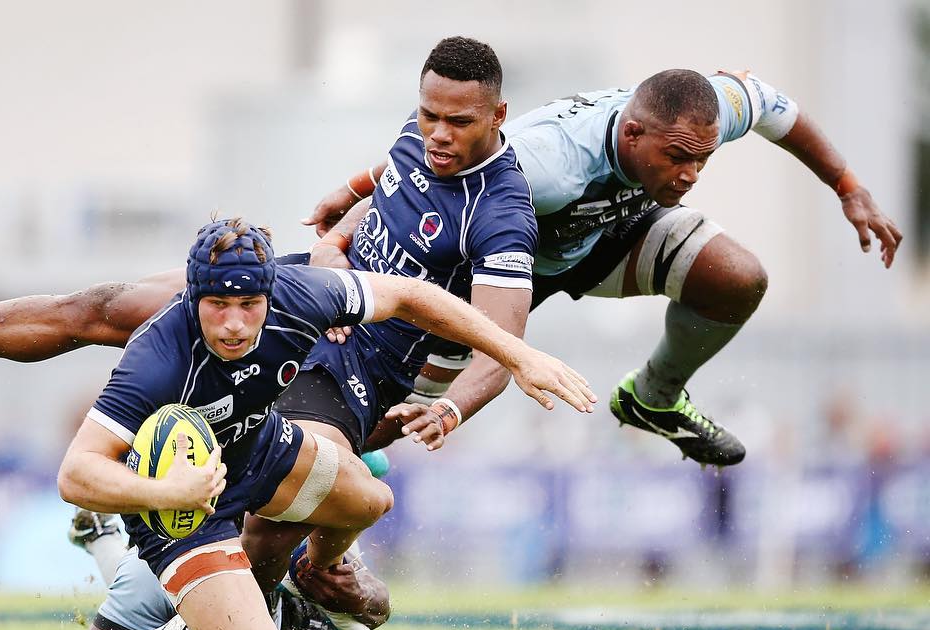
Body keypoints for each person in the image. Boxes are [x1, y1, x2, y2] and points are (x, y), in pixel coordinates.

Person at [0, 38, 595, 599]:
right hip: (307, 288)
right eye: (427, 114)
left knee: (273, 513)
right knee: (103, 306)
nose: (436, 134)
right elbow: (387, 197)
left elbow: (502, 348)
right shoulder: (422, 134)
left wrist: (452, 412)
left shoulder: (501, 216)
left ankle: (264, 604)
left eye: (457, 124)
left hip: (365, 372)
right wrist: (337, 229)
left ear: (498, 117)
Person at [53, 216, 592, 630]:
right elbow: (76, 473)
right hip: (183, 504)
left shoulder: (300, 295)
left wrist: (517, 355)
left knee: (372, 499)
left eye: (249, 304)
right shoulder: (158, 356)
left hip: (259, 451)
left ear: (271, 293)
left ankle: (310, 578)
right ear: (192, 298)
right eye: (217, 305)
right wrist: (168, 490)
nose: (235, 323)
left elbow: (412, 295)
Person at [305, 68, 902, 467]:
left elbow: (782, 113)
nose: (691, 175)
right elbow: (436, 158)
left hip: (600, 239)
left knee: (738, 278)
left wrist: (848, 187)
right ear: (633, 133)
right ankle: (319, 497)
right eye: (676, 159)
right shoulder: (544, 163)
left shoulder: (704, 110)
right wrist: (347, 206)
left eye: (703, 158)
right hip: (500, 263)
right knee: (383, 420)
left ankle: (655, 397)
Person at [70, 510, 391, 630]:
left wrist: (357, 597)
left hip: (282, 614)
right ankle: (100, 536)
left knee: (348, 622)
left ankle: (97, 533)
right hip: (168, 599)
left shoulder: (301, 537)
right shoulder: (154, 569)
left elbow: (378, 609)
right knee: (151, 603)